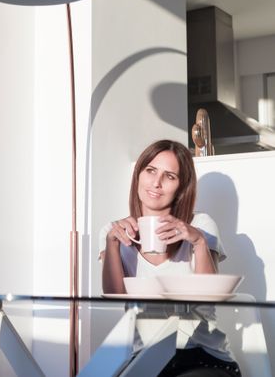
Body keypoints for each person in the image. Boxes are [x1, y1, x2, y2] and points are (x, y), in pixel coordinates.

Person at [99, 139, 241, 376]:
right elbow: (114, 298)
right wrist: (112, 244)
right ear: (138, 175)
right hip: (142, 357)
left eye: (170, 176)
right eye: (150, 171)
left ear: (181, 187)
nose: (156, 183)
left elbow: (210, 297)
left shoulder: (201, 226)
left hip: (201, 355)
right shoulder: (114, 232)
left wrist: (198, 241)